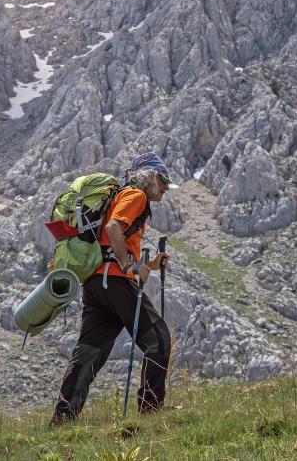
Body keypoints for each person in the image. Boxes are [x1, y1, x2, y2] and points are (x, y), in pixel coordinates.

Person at [51, 152, 172, 425]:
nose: (166, 186)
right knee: (159, 339)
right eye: (163, 179)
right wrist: (129, 265)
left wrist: (149, 265)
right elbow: (114, 227)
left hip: (96, 284)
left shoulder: (119, 197)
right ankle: (150, 413)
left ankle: (62, 421)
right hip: (116, 281)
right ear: (149, 176)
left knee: (89, 354)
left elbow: (108, 239)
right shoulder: (136, 195)